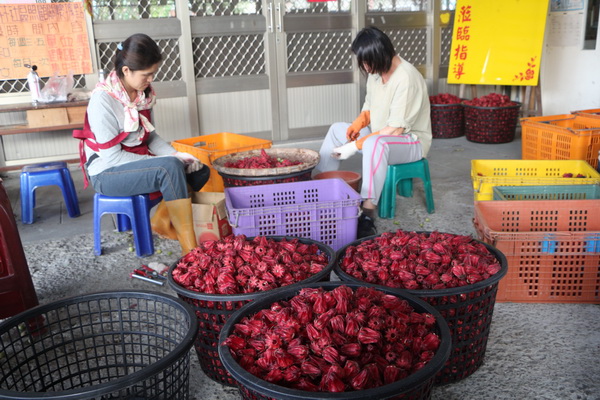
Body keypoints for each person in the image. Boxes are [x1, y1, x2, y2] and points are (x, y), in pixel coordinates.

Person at [76, 33, 210, 256]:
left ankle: (160, 221)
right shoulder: (103, 100)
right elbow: (112, 157)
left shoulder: (142, 95)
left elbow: (151, 138)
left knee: (199, 169)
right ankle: (191, 251)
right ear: (126, 70)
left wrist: (177, 155)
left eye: (153, 74)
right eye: (146, 75)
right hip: (106, 172)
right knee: (168, 168)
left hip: (133, 161)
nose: (150, 80)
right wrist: (167, 160)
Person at [315, 26, 432, 238]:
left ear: (381, 56)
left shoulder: (406, 78)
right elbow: (370, 105)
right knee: (336, 130)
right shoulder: (376, 72)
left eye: (368, 62)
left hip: (410, 141)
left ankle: (367, 211)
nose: (366, 68)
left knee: (373, 143)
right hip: (380, 135)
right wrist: (359, 123)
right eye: (363, 63)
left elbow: (396, 128)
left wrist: (355, 146)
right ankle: (322, 192)